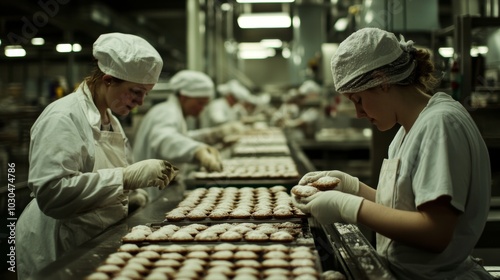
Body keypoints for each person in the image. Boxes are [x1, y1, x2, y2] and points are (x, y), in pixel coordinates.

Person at [292, 28, 492, 279]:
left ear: (382, 82)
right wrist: (353, 188)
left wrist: (348, 207)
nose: (359, 113)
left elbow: (434, 233)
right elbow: (406, 208)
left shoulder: (440, 125)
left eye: (358, 99)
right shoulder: (407, 131)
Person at [15, 33, 178, 279]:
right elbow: (51, 193)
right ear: (108, 80)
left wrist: (129, 198)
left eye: (146, 93)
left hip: (94, 238)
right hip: (61, 245)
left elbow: (106, 175)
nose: (141, 102)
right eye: (135, 92)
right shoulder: (63, 118)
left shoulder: (110, 119)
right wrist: (124, 179)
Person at [133, 70, 224, 199]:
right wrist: (196, 150)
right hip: (154, 194)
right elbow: (166, 139)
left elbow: (181, 137)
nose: (201, 109)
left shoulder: (172, 112)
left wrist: (213, 135)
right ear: (184, 96)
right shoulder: (168, 112)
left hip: (163, 188)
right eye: (200, 103)